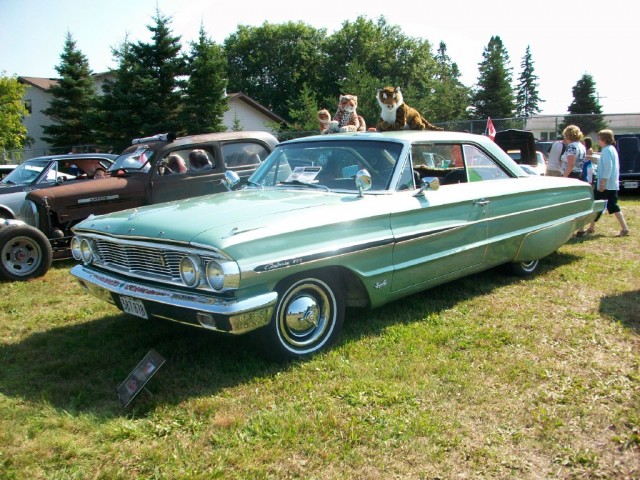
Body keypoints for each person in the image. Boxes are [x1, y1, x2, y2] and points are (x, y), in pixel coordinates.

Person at [580, 129, 630, 237]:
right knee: (612, 205)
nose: (597, 140)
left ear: (604, 139)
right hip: (612, 184)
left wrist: (602, 183)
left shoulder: (607, 150)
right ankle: (624, 228)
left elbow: (608, 167)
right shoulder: (611, 149)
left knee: (595, 205)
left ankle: (588, 228)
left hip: (606, 184)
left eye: (599, 138)